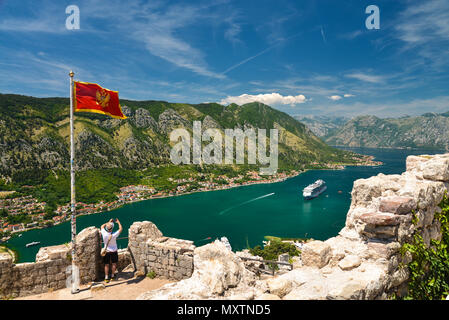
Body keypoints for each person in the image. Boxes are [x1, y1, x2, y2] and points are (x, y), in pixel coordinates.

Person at [100, 218, 122, 283]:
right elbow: (120, 229)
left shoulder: (104, 233)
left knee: (106, 264)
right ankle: (112, 276)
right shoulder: (114, 235)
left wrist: (108, 223)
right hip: (114, 251)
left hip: (106, 251)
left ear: (106, 229)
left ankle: (106, 277)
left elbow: (102, 226)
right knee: (114, 263)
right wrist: (118, 222)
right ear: (112, 229)